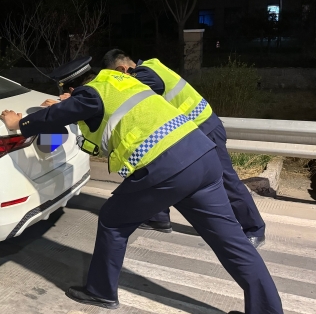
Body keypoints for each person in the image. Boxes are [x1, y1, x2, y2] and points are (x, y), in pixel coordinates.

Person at [0, 57, 288, 314]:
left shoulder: (90, 95)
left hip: (168, 169)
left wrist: (19, 123)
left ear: (70, 88)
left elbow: (58, 116)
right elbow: (91, 110)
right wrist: (67, 105)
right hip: (203, 157)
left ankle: (101, 291)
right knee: (232, 242)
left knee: (113, 220)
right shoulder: (122, 81)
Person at [101, 49, 266, 249]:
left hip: (203, 128)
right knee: (159, 175)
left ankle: (255, 228)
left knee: (226, 181)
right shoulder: (151, 66)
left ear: (122, 70)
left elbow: (126, 100)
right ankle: (159, 218)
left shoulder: (144, 77)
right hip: (190, 133)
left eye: (116, 77)